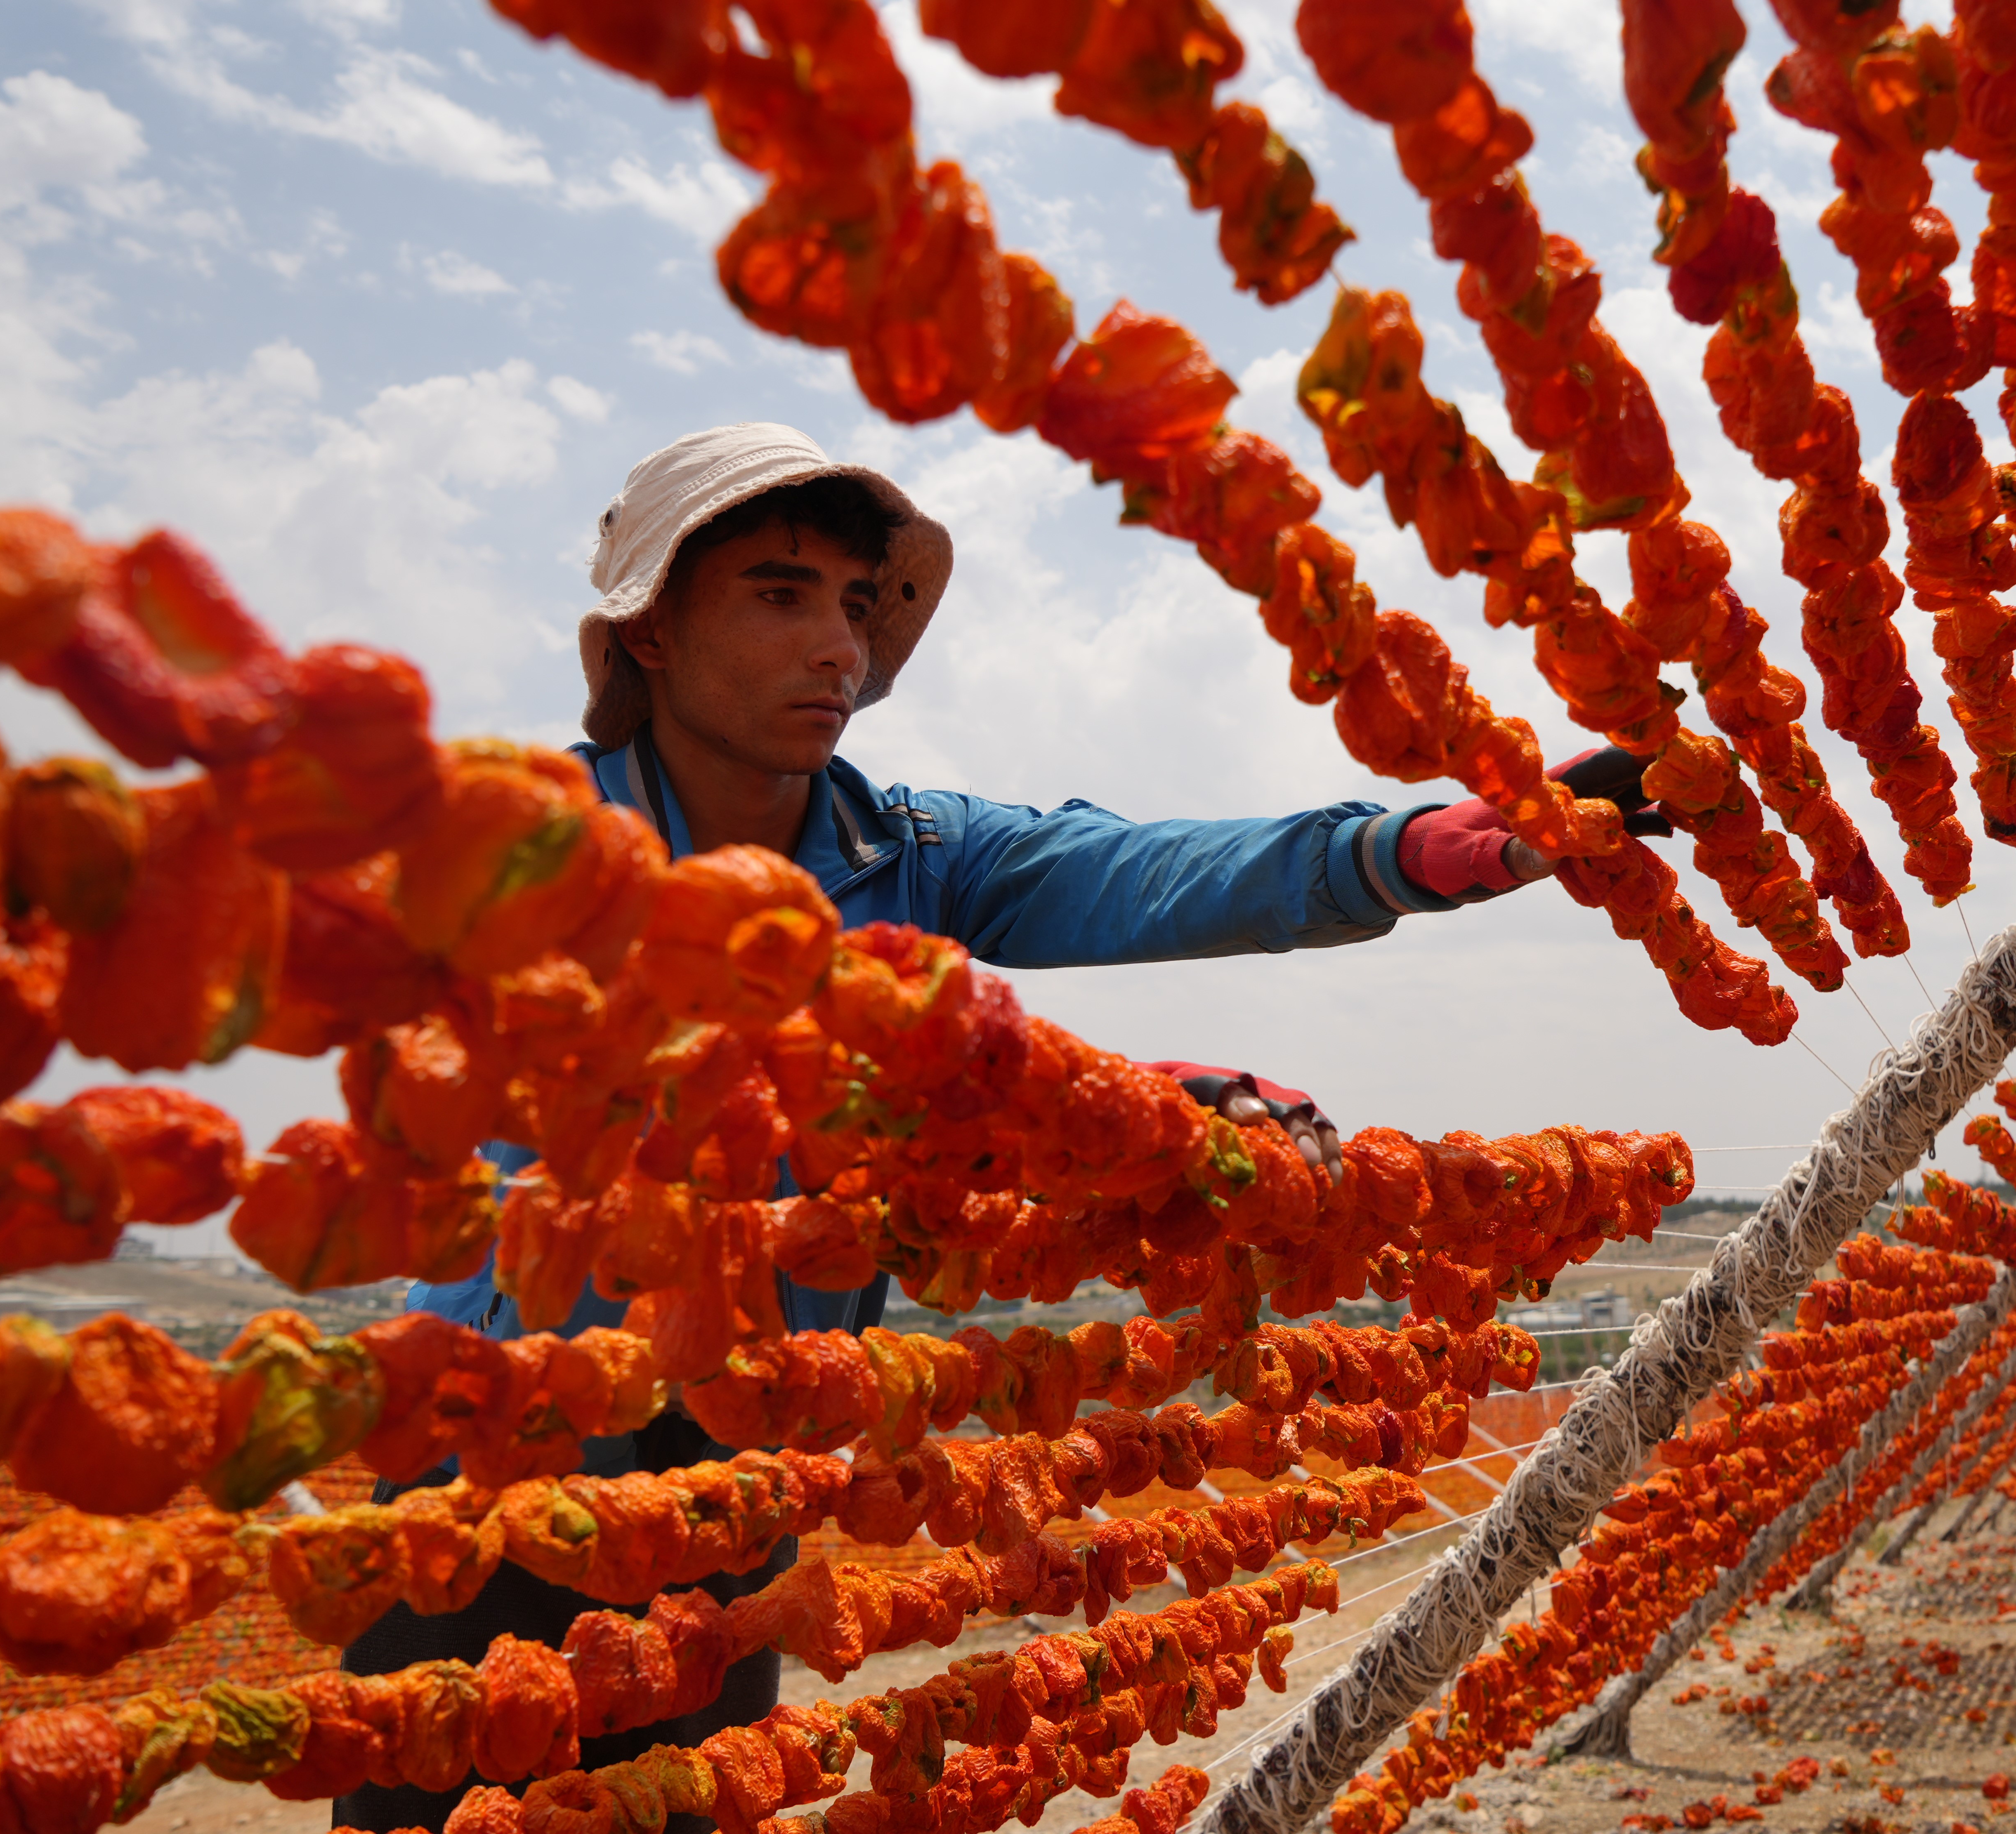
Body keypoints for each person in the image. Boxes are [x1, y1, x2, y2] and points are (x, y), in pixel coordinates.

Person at [332, 423, 1659, 1831]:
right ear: (650, 633)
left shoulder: (904, 850)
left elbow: (1151, 870)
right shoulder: (528, 845)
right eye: (780, 595)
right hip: (502, 1439)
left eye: (857, 604)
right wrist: (1077, 1090)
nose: (838, 646)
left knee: (677, 1806)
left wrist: (1424, 846)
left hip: (743, 1460)